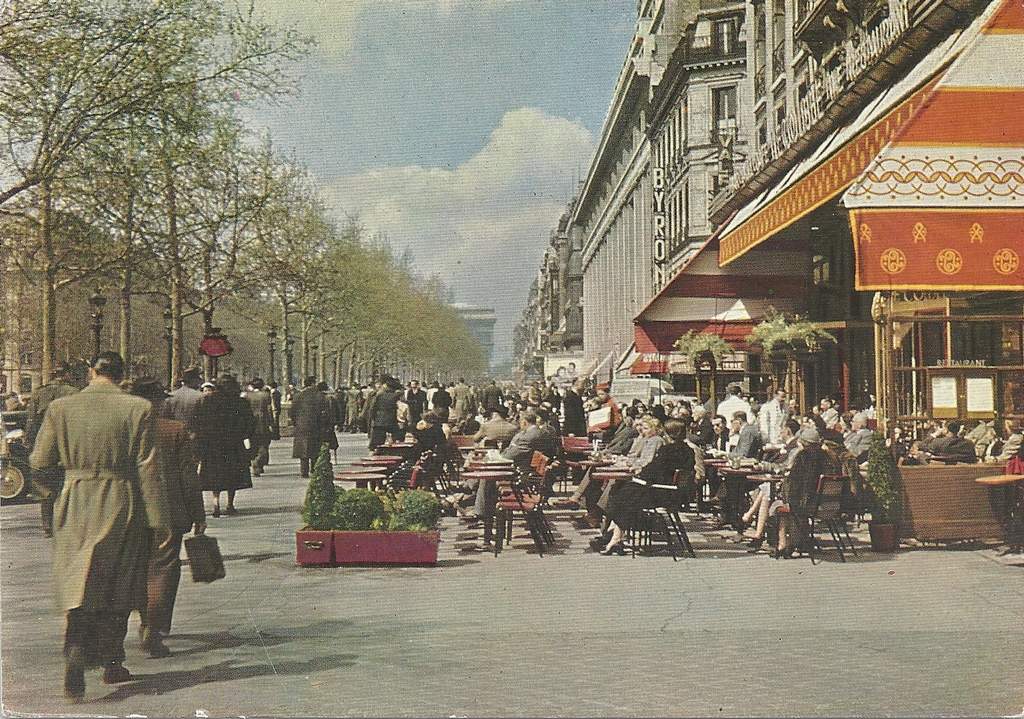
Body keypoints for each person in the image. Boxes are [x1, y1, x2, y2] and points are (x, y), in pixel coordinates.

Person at [29, 352, 171, 701]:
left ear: (91, 372)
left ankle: (75, 645)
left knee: (78, 580)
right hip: (121, 500)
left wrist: (55, 492)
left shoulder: (60, 408)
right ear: (122, 375)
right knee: (119, 584)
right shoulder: (138, 408)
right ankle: (111, 660)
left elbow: (38, 461)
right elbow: (148, 468)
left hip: (75, 500)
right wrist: (159, 520)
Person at [129, 378, 205, 659]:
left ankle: (140, 619)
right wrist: (198, 513)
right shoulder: (175, 430)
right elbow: (188, 476)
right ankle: (154, 627)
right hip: (170, 511)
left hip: (130, 511)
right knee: (163, 570)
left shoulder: (127, 430)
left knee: (137, 568)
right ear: (157, 402)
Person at [601, 419, 695, 554]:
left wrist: (640, 474)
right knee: (624, 491)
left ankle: (614, 536)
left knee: (619, 493)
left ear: (668, 434)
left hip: (662, 494)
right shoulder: (688, 451)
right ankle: (615, 537)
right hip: (674, 494)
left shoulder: (668, 450)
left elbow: (652, 470)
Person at [25, 362, 79, 537]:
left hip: (45, 441)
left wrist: (30, 442)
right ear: (68, 374)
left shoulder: (40, 392)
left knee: (45, 488)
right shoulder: (74, 392)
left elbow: (31, 421)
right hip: (67, 441)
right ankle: (66, 523)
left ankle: (48, 525)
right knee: (66, 482)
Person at [192, 373, 255, 517]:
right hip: (233, 444)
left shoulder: (208, 401)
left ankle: (216, 503)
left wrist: (200, 445)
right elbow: (250, 423)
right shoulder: (240, 403)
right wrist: (244, 437)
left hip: (213, 445)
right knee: (232, 475)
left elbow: (199, 424)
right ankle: (230, 504)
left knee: (215, 475)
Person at [291, 376, 335, 477]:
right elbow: (325, 413)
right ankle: (314, 470)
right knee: (315, 450)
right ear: (312, 383)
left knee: (303, 451)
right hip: (316, 425)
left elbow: (292, 412)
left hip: (301, 426)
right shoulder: (319, 396)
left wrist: (296, 423)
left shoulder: (297, 396)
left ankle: (304, 471)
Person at [243, 378, 274, 477]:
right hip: (262, 423)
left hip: (250, 424)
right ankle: (258, 462)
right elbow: (269, 410)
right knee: (263, 445)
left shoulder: (247, 396)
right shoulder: (266, 396)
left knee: (253, 444)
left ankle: (255, 463)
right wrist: (271, 423)